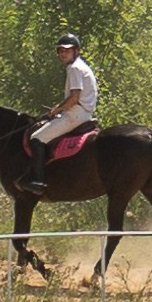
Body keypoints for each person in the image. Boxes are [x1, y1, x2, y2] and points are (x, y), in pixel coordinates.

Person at [21, 32, 99, 194]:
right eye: (60, 51)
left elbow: (74, 97)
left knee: (37, 138)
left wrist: (57, 109)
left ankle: (37, 181)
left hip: (75, 114)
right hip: (82, 113)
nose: (63, 54)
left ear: (76, 51)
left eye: (67, 50)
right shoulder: (81, 66)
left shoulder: (74, 68)